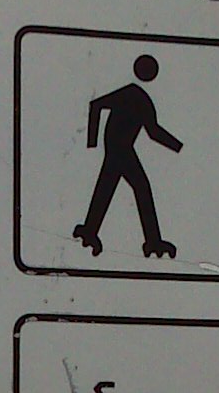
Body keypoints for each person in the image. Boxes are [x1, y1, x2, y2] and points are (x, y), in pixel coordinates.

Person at [74, 53, 182, 259]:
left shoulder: (143, 101)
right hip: (119, 149)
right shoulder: (131, 94)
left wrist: (178, 147)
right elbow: (96, 105)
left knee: (108, 187)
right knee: (139, 187)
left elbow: (153, 131)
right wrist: (91, 142)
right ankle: (152, 241)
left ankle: (91, 231)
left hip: (121, 149)